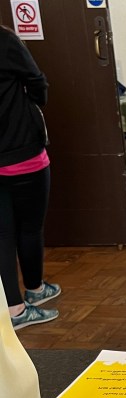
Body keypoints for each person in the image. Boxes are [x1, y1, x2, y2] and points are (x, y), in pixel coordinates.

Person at [0, 25, 61, 330]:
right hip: (21, 153)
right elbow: (39, 85)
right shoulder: (5, 40)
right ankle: (34, 290)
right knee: (30, 228)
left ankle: (14, 309)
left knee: (2, 236)